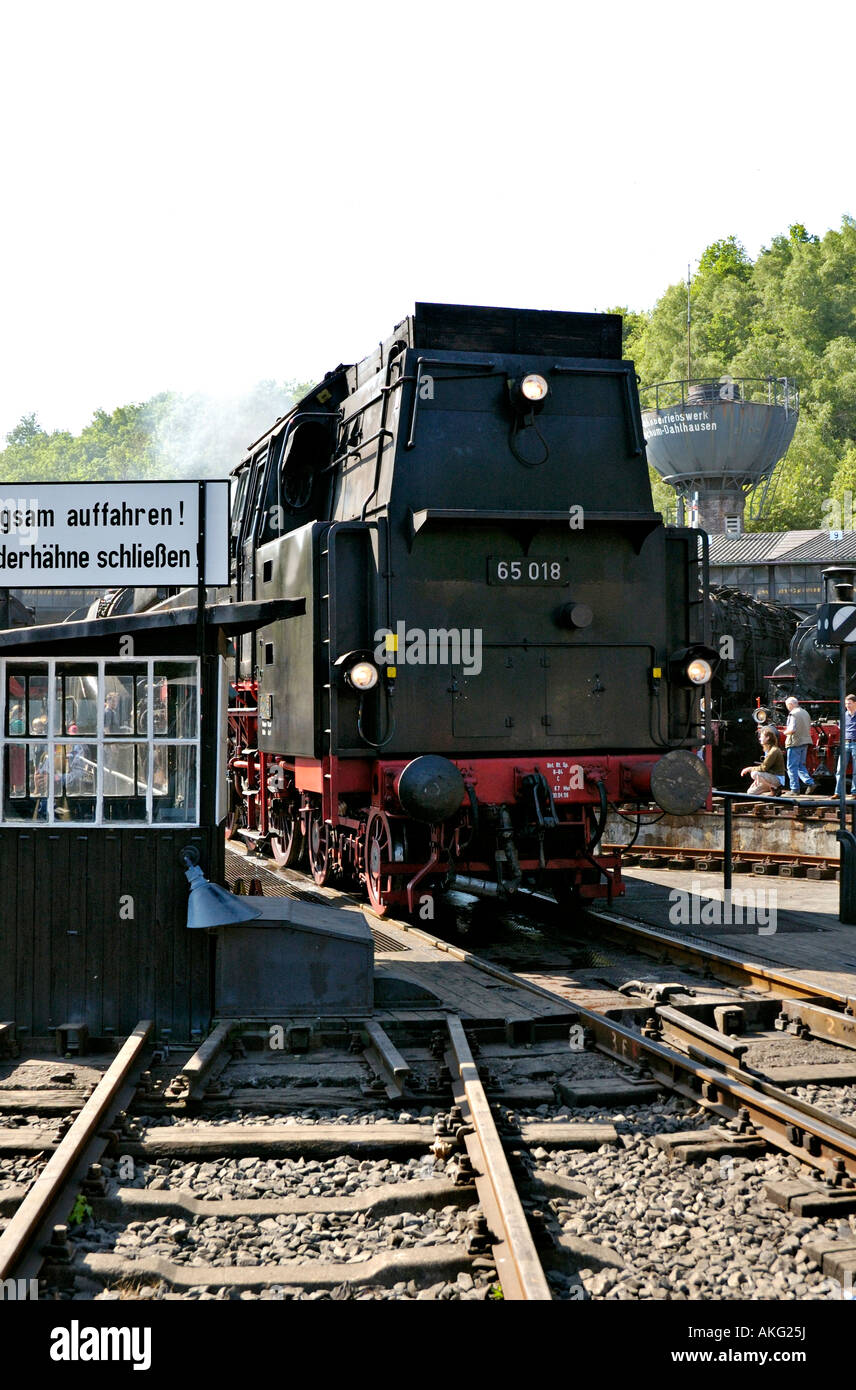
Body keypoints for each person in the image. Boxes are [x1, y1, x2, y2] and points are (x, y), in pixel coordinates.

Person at [784, 696, 816, 793]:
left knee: (792, 767)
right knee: (801, 765)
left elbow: (792, 729)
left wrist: (784, 732)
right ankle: (810, 782)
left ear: (790, 704)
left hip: (795, 742)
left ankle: (794, 789)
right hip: (805, 741)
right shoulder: (805, 712)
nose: (787, 708)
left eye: (787, 706)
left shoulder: (793, 714)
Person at [742, 728, 786, 795]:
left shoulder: (774, 751)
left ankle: (773, 787)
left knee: (754, 773)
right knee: (750, 792)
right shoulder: (768, 750)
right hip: (769, 777)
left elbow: (764, 768)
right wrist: (758, 780)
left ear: (767, 738)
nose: (759, 739)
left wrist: (749, 769)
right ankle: (772, 788)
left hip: (777, 778)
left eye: (761, 737)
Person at [835, 693, 856, 796]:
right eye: (846, 703)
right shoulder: (844, 715)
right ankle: (837, 792)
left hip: (855, 743)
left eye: (850, 703)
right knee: (840, 769)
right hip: (845, 743)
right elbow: (840, 727)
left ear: (855, 703)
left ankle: (854, 792)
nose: (847, 705)